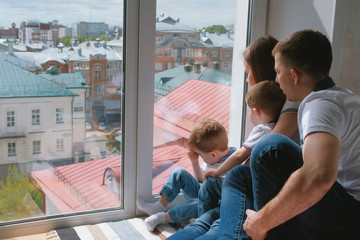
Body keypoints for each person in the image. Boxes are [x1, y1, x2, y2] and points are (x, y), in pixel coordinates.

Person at [220, 29, 360, 240]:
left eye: (278, 72)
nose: (276, 80)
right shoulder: (346, 97)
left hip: (348, 217)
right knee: (240, 175)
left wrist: (261, 221)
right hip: (346, 208)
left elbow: (320, 176)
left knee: (270, 147)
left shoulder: (319, 105)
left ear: (293, 75)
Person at [167, 80, 286, 240]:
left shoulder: (263, 129)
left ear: (256, 112)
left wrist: (217, 172)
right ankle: (202, 217)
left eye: (250, 110)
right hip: (259, 188)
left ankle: (201, 217)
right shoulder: (280, 126)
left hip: (247, 189)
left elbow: (239, 156)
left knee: (209, 185)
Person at [137, 119, 236, 232]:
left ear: (213, 154)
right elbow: (201, 180)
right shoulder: (213, 158)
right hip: (202, 193)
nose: (200, 158)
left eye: (200, 156)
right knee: (179, 172)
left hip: (213, 204)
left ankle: (162, 218)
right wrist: (194, 162)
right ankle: (159, 207)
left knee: (195, 204)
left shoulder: (233, 164)